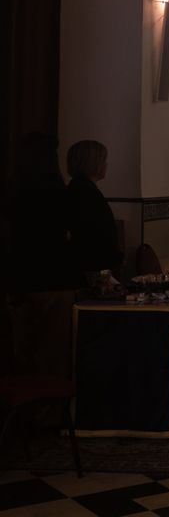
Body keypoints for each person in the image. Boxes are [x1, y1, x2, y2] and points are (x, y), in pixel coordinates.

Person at [5, 132, 75, 382]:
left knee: (24, 352)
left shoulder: (14, 194)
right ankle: (48, 415)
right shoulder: (57, 193)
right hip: (53, 280)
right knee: (52, 353)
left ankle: (25, 412)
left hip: (20, 281)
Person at [65, 140, 123, 276]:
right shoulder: (85, 193)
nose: (106, 164)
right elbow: (95, 236)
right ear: (93, 163)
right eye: (103, 160)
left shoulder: (81, 189)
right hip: (90, 270)